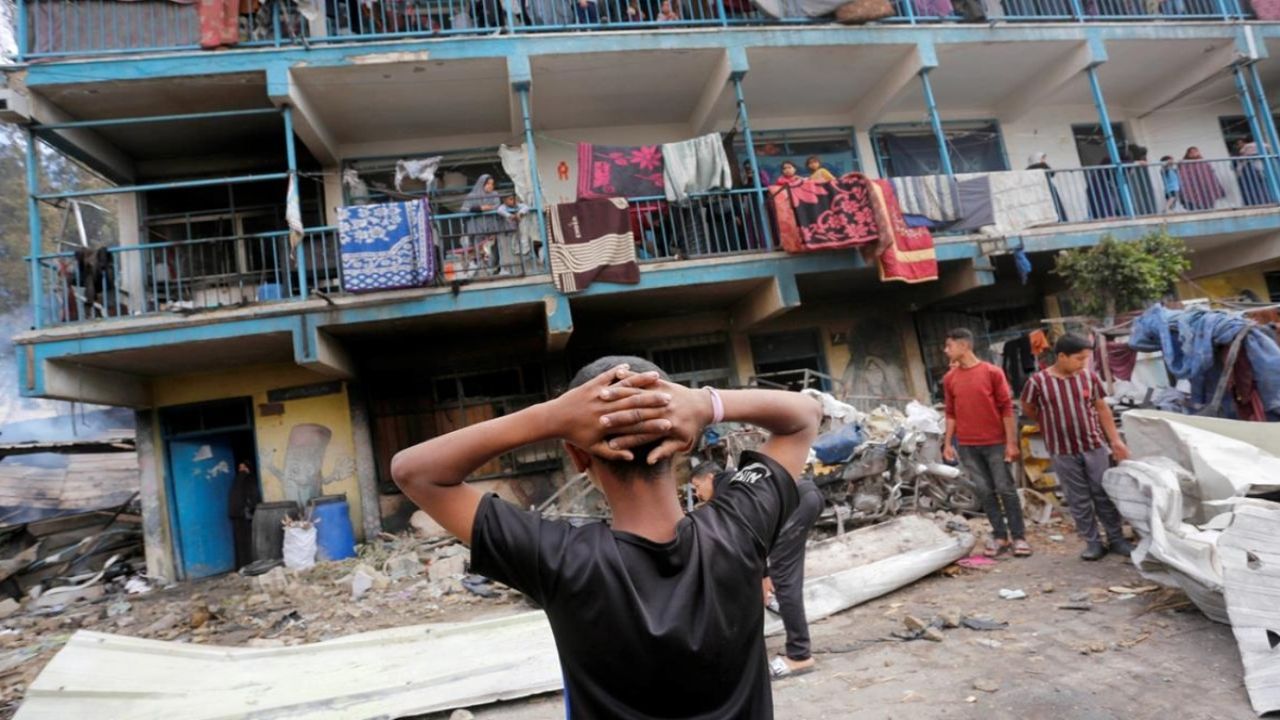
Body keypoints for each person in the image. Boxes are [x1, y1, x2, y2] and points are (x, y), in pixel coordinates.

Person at [391, 358, 822, 718]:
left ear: (576, 456)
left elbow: (414, 471)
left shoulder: (559, 559)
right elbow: (804, 415)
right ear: (682, 442)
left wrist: (552, 416)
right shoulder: (741, 525)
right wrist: (705, 403)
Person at [692, 457, 824, 679]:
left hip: (798, 502)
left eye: (696, 487)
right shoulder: (736, 481)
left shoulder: (727, 492)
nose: (696, 494)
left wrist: (764, 577)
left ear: (710, 478)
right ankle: (794, 636)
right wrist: (763, 575)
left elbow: (751, 537)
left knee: (784, 580)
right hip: (806, 496)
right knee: (785, 575)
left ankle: (800, 656)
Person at [1020, 334, 1134, 561]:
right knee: (1078, 498)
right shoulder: (1038, 382)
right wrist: (1050, 423)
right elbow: (1029, 408)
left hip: (1093, 446)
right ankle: (1093, 543)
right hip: (1062, 450)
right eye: (1079, 358)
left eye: (1086, 359)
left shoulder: (1088, 378)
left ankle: (1116, 538)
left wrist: (1115, 441)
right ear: (1062, 356)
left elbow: (1102, 409)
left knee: (1103, 493)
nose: (1083, 363)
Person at [941, 328, 1030, 558]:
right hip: (968, 446)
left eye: (949, 346)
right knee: (985, 492)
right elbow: (951, 413)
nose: (945, 350)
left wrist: (1011, 443)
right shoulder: (950, 379)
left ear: (964, 346)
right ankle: (1000, 536)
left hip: (996, 443)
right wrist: (948, 443)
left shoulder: (992, 372)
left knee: (1006, 489)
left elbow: (1006, 409)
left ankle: (1019, 537)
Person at [462, 174, 505, 273]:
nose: (490, 186)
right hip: (477, 229)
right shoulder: (471, 196)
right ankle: (482, 271)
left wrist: (487, 208)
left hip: (491, 228)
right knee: (479, 251)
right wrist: (480, 208)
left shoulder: (495, 194)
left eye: (492, 184)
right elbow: (464, 210)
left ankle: (493, 270)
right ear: (481, 184)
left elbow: (496, 206)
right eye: (488, 184)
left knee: (493, 252)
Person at [227, 460, 261, 570]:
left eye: (242, 468)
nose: (241, 470)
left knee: (240, 542)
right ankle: (250, 564)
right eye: (240, 468)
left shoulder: (237, 480)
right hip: (245, 515)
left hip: (236, 515)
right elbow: (253, 497)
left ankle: (242, 566)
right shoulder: (249, 479)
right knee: (248, 541)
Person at [1178, 146, 1225, 211]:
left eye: (1196, 151)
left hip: (1204, 186)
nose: (1194, 153)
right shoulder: (1185, 163)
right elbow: (1182, 175)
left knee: (1208, 201)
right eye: (1191, 152)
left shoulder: (1203, 162)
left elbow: (1209, 174)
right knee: (1193, 203)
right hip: (1192, 186)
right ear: (1188, 154)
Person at [1026, 151, 1066, 222]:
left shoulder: (1028, 170)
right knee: (1054, 206)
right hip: (1047, 188)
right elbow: (1052, 174)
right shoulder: (1043, 166)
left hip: (1035, 190)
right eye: (1042, 158)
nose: (1044, 160)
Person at [1232, 138, 1271, 207]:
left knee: (1260, 189)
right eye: (1238, 144)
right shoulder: (1238, 154)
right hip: (1247, 174)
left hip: (1254, 172)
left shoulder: (1249, 148)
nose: (1240, 145)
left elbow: (1267, 147)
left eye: (1241, 143)